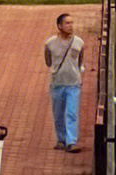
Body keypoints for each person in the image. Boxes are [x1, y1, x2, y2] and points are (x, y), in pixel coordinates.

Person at [45, 12, 84, 153]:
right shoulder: (50, 44)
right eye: (67, 23)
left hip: (74, 83)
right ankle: (61, 139)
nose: (70, 26)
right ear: (59, 26)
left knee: (72, 112)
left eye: (71, 23)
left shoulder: (79, 43)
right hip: (57, 84)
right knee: (58, 113)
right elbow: (48, 62)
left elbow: (79, 61)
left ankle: (71, 141)